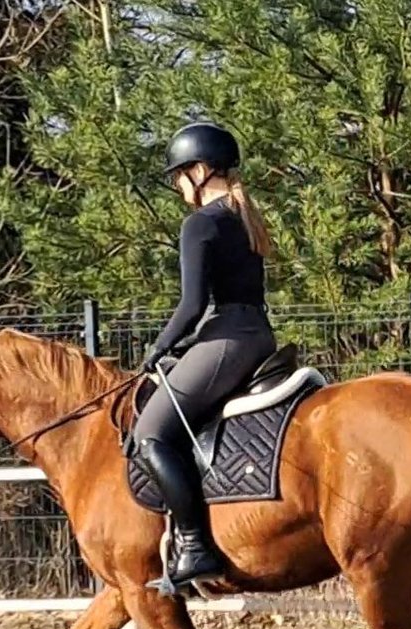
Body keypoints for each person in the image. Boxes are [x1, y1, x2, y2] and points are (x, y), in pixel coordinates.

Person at [133, 121, 279, 590]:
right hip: (256, 333)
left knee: (150, 433)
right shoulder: (244, 215)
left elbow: (192, 306)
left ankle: (194, 544)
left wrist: (159, 346)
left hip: (227, 338)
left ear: (199, 170)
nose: (178, 187)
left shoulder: (201, 223)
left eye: (178, 175)